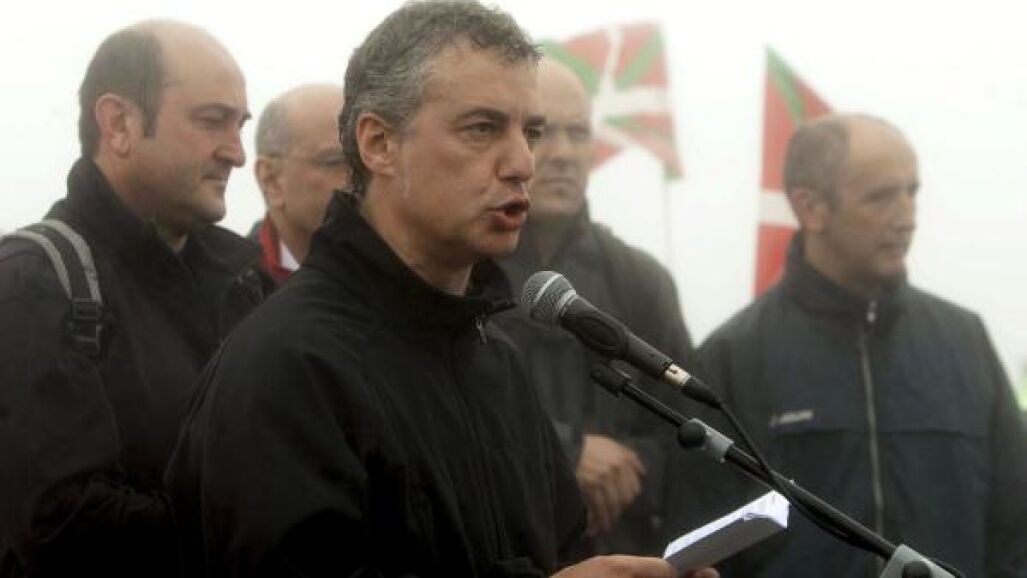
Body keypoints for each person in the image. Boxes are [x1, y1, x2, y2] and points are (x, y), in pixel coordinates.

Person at [165, 2, 715, 577]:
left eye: (528, 132)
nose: (523, 162)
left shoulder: (497, 362)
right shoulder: (284, 366)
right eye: (482, 129)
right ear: (379, 143)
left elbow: (563, 555)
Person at [673, 114, 1027, 577]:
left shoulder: (966, 341)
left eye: (912, 192)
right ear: (810, 207)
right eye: (881, 196)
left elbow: (1017, 527)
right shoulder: (733, 356)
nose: (908, 216)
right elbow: (702, 545)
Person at [0, 21, 266, 577]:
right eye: (211, 120)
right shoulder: (33, 282)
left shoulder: (244, 285)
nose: (237, 154)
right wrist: (267, 519)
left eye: (240, 125)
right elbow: (58, 525)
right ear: (118, 123)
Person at [495, 57, 694, 556]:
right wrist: (564, 455)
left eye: (579, 133)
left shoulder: (640, 281)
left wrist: (622, 471)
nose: (564, 153)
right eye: (542, 132)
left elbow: (686, 434)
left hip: (621, 551)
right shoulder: (462, 273)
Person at [250, 84, 349, 284]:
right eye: (336, 162)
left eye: (368, 158)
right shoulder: (224, 291)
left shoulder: (408, 274)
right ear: (272, 180)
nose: (366, 177)